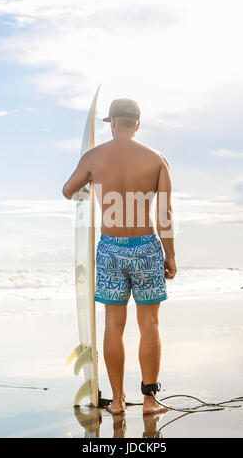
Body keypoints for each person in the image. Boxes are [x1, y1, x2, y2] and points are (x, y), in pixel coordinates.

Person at [63, 98, 177, 415]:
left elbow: (67, 190)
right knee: (150, 323)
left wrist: (88, 183)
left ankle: (117, 400)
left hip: (111, 247)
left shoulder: (94, 157)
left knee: (114, 325)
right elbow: (165, 213)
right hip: (146, 248)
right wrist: (170, 255)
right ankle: (151, 401)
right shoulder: (157, 160)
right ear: (137, 124)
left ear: (112, 123)